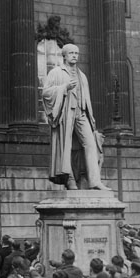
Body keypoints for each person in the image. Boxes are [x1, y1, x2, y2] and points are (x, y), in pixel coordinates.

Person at [42, 43, 110, 191]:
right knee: (67, 149)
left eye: (76, 53)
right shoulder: (56, 73)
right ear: (64, 56)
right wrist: (64, 88)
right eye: (71, 53)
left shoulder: (82, 76)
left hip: (81, 114)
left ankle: (94, 181)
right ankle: (70, 181)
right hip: (65, 114)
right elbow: (46, 93)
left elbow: (87, 99)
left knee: (90, 144)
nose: (74, 55)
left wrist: (90, 118)